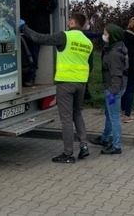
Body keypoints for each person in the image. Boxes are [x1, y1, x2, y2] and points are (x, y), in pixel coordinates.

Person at [20, 12, 93, 164]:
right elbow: (90, 65)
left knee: (66, 119)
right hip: (81, 84)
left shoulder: (64, 36)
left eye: (68, 21)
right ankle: (84, 146)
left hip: (66, 83)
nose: (67, 23)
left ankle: (68, 154)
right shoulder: (88, 42)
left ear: (72, 23)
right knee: (77, 114)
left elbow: (39, 38)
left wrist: (24, 27)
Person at [90, 24, 128, 155]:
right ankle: (105, 138)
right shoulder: (115, 47)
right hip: (113, 87)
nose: (103, 36)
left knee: (114, 118)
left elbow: (116, 75)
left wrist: (113, 92)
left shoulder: (114, 54)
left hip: (113, 88)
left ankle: (117, 146)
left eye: (106, 34)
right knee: (109, 115)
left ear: (112, 36)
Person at [19, 0, 58, 86]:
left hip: (36, 27)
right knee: (21, 52)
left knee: (33, 52)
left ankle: (31, 77)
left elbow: (54, 2)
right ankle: (21, 78)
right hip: (21, 25)